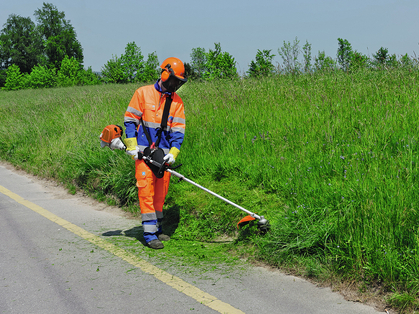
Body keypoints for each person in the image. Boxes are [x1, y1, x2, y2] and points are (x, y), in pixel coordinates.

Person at [123, 57, 187, 249]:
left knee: (160, 194)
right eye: (175, 80)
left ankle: (157, 227)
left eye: (179, 82)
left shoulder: (177, 102)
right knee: (146, 192)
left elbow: (178, 131)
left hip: (163, 157)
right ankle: (149, 234)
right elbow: (130, 121)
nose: (176, 85)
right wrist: (132, 146)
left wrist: (173, 153)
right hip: (143, 154)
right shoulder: (142, 94)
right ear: (165, 74)